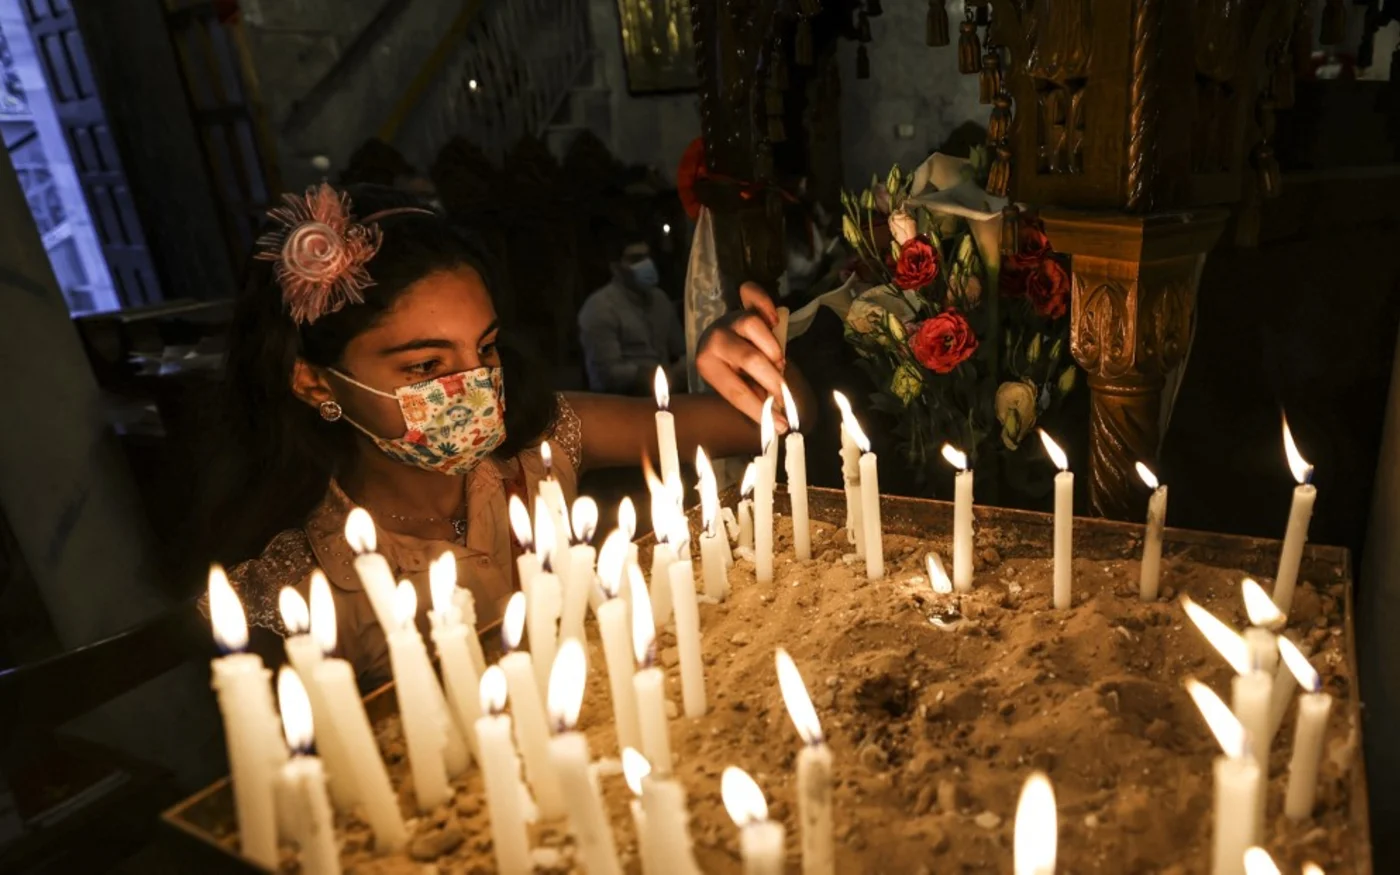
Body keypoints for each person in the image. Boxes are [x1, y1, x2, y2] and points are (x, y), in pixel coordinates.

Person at [203, 184, 799, 690]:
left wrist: (746, 352)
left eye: (484, 348)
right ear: (314, 384)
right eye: (426, 367)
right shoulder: (295, 588)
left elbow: (766, 422)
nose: (476, 387)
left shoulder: (541, 450)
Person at [577, 233, 686, 395]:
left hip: (667, 393)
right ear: (615, 267)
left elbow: (680, 348)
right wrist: (656, 374)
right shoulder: (599, 307)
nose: (646, 264)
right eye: (635, 259)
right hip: (621, 401)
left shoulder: (660, 299)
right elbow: (606, 374)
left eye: (647, 257)